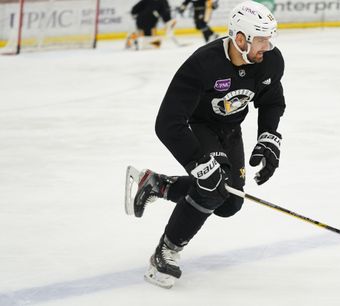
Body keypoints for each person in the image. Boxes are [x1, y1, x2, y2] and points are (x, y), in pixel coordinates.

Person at [124, 0, 285, 289]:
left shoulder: (270, 61)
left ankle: (158, 185)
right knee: (211, 187)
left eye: (269, 39)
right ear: (240, 39)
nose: (268, 46)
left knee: (231, 202)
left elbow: (271, 100)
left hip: (230, 129)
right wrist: (197, 162)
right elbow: (168, 123)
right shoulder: (203, 64)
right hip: (197, 127)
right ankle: (166, 251)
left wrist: (268, 137)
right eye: (261, 39)